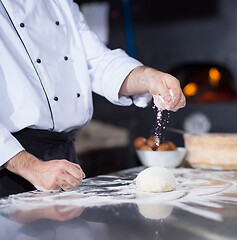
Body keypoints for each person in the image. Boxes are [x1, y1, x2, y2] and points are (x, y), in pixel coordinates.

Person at [0, 0, 186, 197]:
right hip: (10, 165)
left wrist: (148, 77)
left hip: (63, 160)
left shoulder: (59, 3)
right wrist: (30, 166)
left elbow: (97, 62)